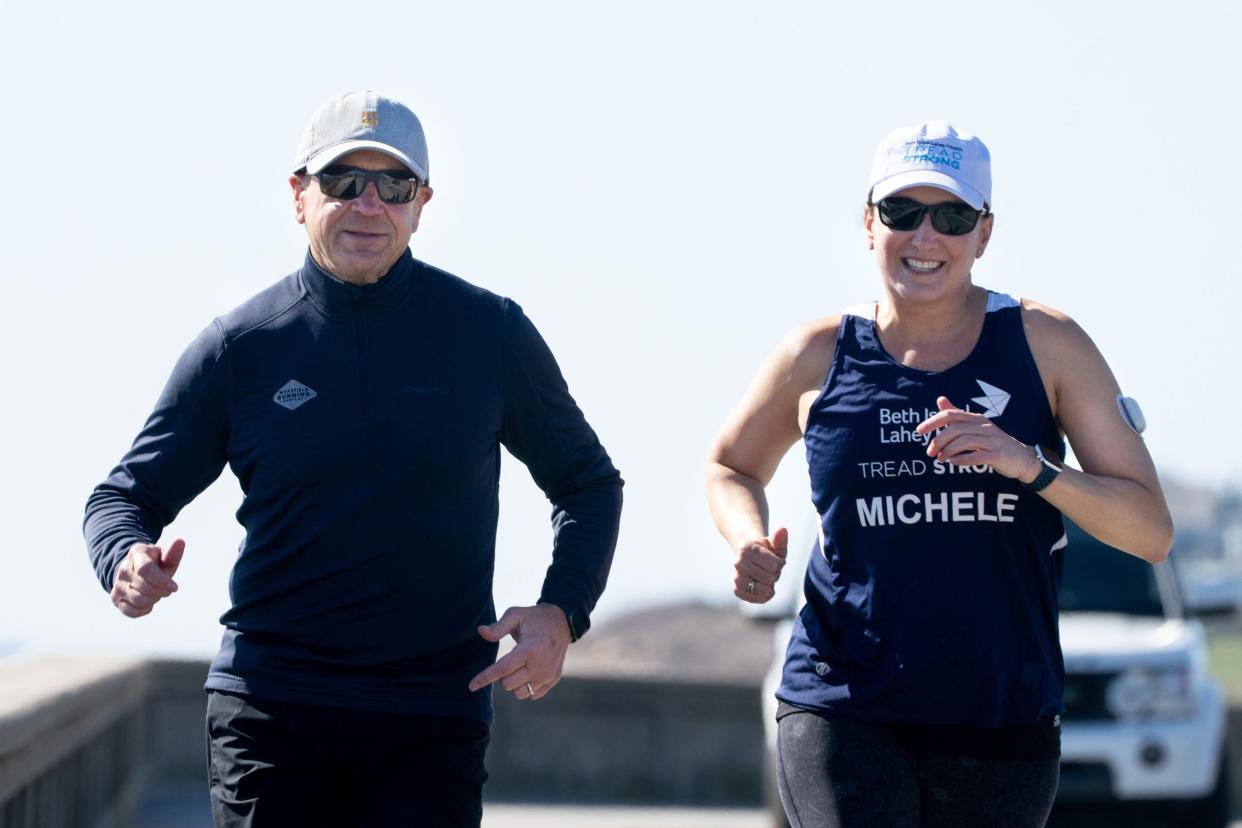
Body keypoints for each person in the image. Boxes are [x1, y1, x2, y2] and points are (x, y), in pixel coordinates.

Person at [83, 90, 623, 828]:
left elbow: (588, 483)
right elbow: (122, 497)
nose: (368, 203)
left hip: (429, 718)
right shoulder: (241, 347)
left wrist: (563, 611)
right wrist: (124, 556)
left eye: (393, 185)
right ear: (298, 195)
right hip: (270, 711)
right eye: (342, 182)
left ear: (422, 203)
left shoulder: (486, 335)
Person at [706, 121, 1172, 827]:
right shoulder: (816, 353)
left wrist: (1032, 467)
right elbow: (730, 465)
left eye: (951, 217)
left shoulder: (1047, 345)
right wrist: (746, 539)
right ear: (869, 224)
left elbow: (1150, 532)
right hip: (841, 705)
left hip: (999, 718)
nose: (925, 238)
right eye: (902, 212)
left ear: (983, 234)